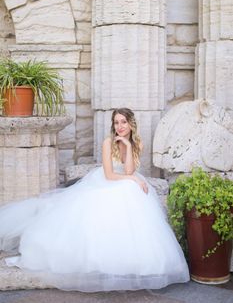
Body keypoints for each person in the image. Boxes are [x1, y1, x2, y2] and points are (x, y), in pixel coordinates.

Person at [0, 108, 189, 292]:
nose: (120, 126)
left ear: (131, 124)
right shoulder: (108, 143)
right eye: (116, 122)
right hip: (106, 181)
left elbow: (130, 171)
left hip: (124, 182)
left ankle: (131, 257)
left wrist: (129, 146)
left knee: (133, 189)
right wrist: (132, 179)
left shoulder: (136, 143)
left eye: (124, 122)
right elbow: (109, 175)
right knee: (130, 186)